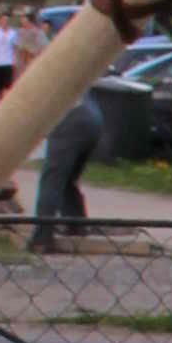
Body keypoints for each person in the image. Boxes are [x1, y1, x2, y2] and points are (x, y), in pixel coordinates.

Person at [28, 86, 103, 251]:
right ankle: (76, 225)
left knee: (52, 180)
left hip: (70, 117)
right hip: (92, 117)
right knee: (67, 179)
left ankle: (41, 239)